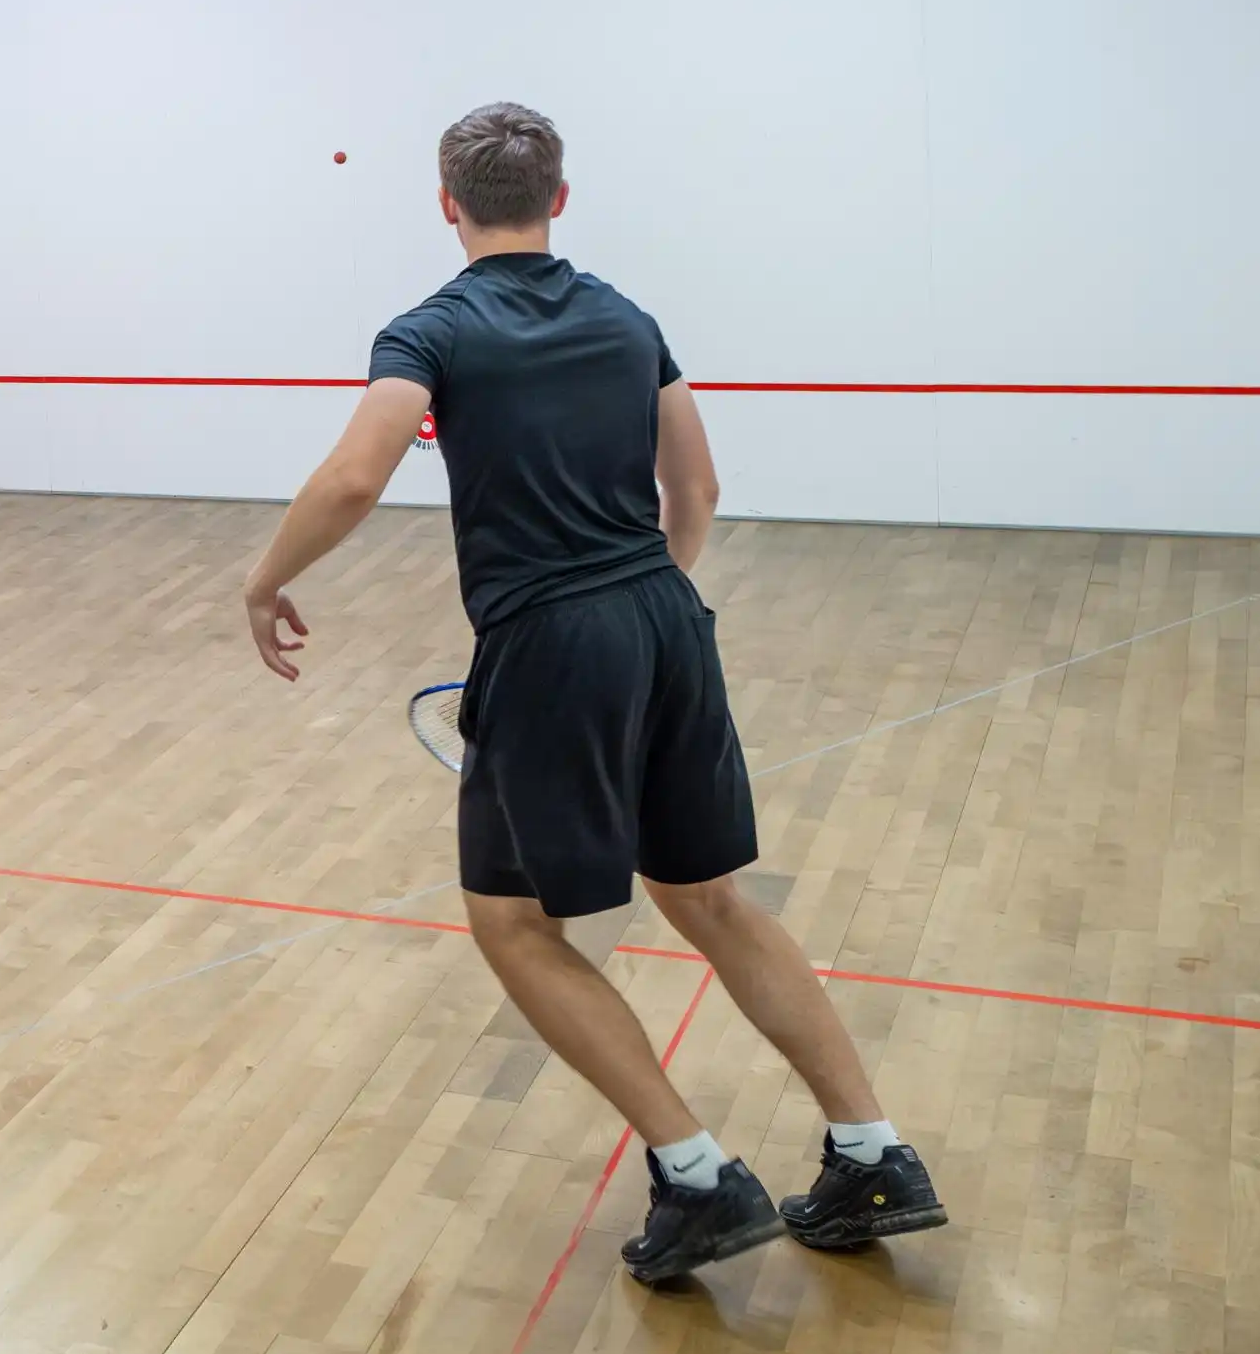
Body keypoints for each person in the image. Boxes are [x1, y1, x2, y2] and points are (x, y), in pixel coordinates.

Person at [239, 103, 944, 1283]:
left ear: (445, 201)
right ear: (558, 199)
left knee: (514, 923)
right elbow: (699, 488)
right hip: (668, 621)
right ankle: (873, 1151)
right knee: (710, 898)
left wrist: (265, 580)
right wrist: (642, 611)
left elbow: (360, 474)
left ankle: (696, 1174)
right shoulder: (626, 316)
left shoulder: (431, 330)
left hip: (553, 647)